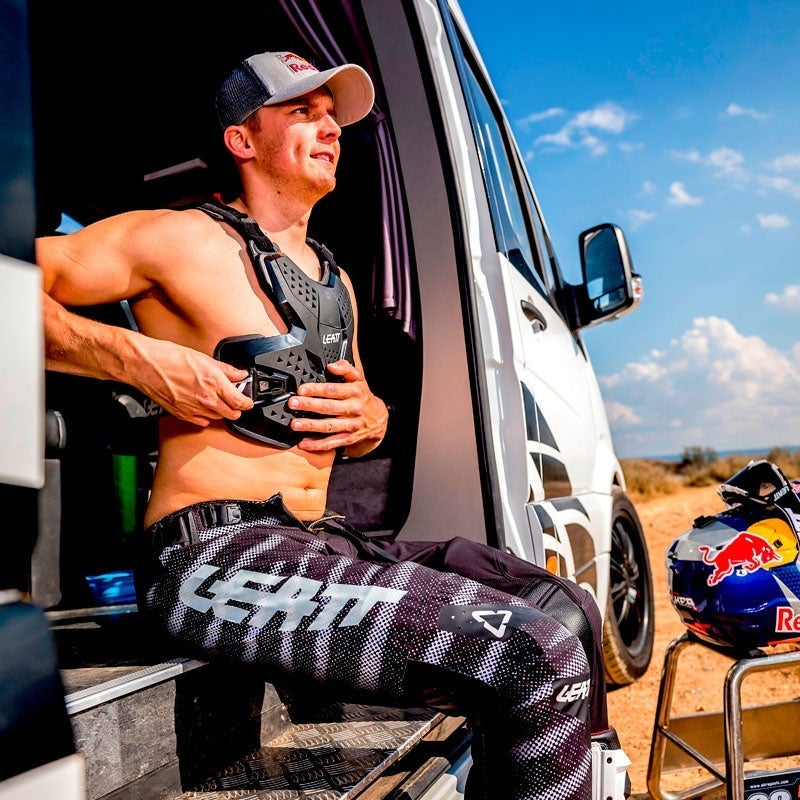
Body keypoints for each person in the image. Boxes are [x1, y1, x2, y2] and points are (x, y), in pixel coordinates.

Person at [37, 50, 628, 800]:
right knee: (532, 653)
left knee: (567, 611)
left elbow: (361, 419)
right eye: (301, 111)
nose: (330, 128)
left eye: (332, 116)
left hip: (318, 541)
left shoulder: (333, 279)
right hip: (211, 557)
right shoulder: (172, 238)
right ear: (242, 139)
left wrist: (371, 419)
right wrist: (136, 359)